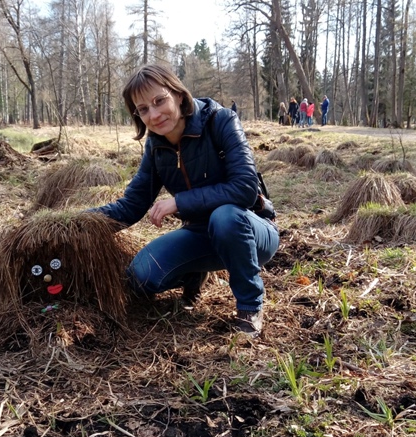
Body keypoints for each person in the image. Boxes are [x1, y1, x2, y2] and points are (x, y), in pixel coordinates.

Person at [94, 64, 279, 337]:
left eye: (159, 101)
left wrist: (179, 202)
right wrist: (78, 223)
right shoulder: (156, 146)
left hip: (250, 229)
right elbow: (131, 205)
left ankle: (250, 306)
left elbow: (245, 188)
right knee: (141, 276)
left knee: (225, 216)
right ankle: (195, 273)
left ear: (179, 95)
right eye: (143, 109)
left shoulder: (221, 120)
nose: (154, 115)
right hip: (199, 233)